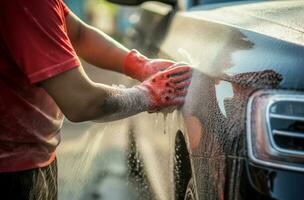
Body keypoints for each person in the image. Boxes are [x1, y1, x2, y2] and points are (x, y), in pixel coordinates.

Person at [0, 0, 192, 199]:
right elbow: (83, 103)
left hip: (26, 159)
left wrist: (141, 65)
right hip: (11, 171)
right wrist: (148, 94)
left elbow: (77, 34)